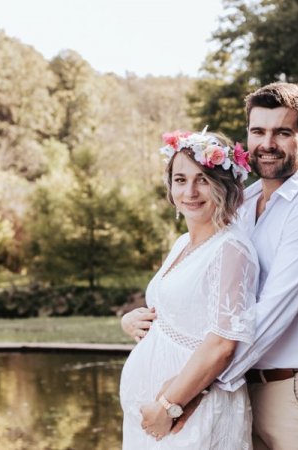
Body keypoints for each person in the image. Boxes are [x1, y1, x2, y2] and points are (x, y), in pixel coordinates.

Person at [123, 82, 298, 449]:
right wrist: (150, 323)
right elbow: (212, 290)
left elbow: (264, 320)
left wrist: (183, 395)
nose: (267, 143)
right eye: (258, 131)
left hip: (297, 393)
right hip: (243, 389)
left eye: (282, 132)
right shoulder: (243, 205)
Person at [118, 129, 259, 449]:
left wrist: (168, 405)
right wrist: (132, 320)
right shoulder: (183, 243)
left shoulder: (230, 249)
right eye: (180, 180)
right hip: (156, 417)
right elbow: (177, 312)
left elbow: (222, 344)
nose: (190, 191)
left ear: (225, 185)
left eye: (203, 180)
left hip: (190, 411)